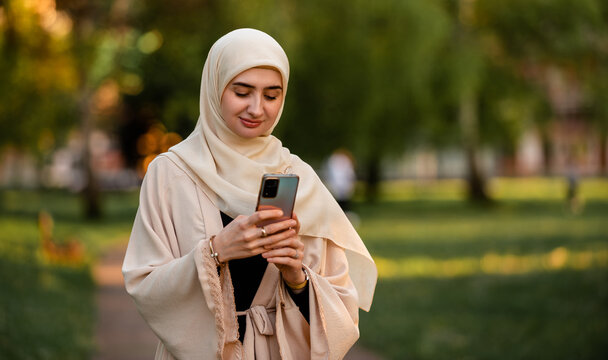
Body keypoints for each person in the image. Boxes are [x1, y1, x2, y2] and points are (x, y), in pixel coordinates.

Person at [122, 28, 377, 360]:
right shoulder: (171, 172)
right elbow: (145, 285)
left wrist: (297, 278)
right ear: (215, 89)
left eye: (271, 96)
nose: (257, 109)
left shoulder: (298, 177)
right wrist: (215, 252)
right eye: (242, 92)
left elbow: (342, 312)